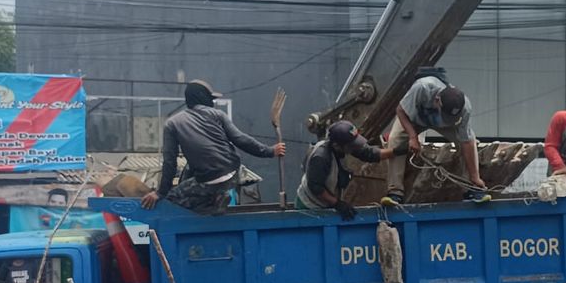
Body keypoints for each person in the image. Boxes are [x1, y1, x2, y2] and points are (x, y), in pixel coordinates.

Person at [141, 79, 286, 213]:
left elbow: (170, 163)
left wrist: (160, 193)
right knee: (190, 171)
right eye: (211, 99)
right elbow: (241, 139)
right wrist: (270, 151)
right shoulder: (218, 114)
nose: (212, 103)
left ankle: (212, 204)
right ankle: (216, 198)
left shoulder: (172, 123)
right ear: (203, 98)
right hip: (234, 173)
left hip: (209, 180)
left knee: (172, 199)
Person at [382, 76, 488, 206]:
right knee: (395, 140)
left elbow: (467, 142)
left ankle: (471, 188)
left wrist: (475, 176)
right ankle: (395, 192)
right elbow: (400, 110)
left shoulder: (465, 108)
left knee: (468, 143)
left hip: (443, 125)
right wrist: (413, 137)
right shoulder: (422, 88)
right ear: (437, 100)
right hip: (414, 120)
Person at [297, 121, 402, 218]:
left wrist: (397, 151)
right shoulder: (321, 157)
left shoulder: (345, 146)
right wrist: (336, 203)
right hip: (310, 206)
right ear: (337, 145)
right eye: (352, 145)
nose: (355, 147)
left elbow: (369, 153)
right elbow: (315, 187)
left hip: (326, 202)